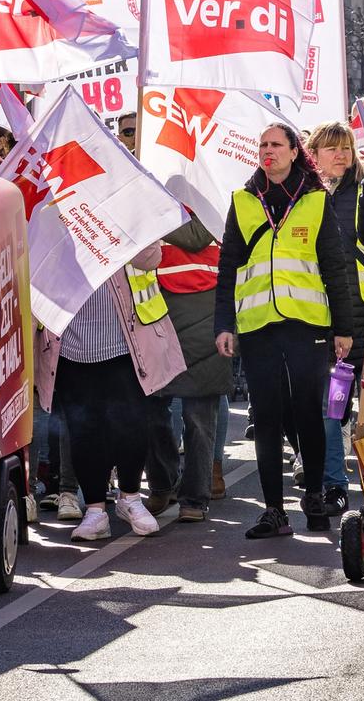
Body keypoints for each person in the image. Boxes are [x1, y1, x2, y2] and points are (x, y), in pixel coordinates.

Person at [213, 123, 361, 538]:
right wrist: (224, 324)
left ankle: (314, 496)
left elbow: (335, 267)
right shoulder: (243, 200)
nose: (268, 151)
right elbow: (228, 268)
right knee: (268, 417)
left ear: (296, 152)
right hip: (258, 325)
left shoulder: (315, 200)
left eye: (276, 144)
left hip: (307, 324)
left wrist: (343, 328)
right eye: (262, 145)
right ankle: (274, 510)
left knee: (308, 412)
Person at [39, 248, 185, 542]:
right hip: (70, 346)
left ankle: (130, 497)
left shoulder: (125, 207)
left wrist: (128, 231)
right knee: (83, 431)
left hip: (125, 343)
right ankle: (95, 510)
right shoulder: (52, 214)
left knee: (132, 424)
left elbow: (151, 258)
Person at [306, 121, 364, 515]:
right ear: (312, 154)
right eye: (332, 148)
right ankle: (335, 484)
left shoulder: (363, 190)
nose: (341, 155)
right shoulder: (304, 197)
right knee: (331, 409)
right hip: (322, 324)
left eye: (346, 148)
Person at [140, 219, 230, 523]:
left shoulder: (205, 196)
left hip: (201, 315)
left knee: (197, 416)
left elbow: (196, 236)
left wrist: (154, 220)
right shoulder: (155, 196)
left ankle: (189, 494)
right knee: (155, 412)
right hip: (159, 312)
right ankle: (170, 487)